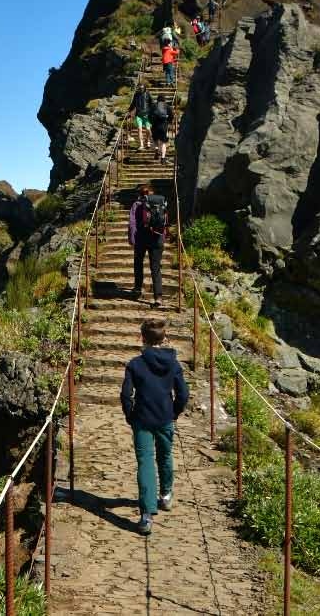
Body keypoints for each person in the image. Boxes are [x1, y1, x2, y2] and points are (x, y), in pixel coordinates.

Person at [121, 318, 188, 535]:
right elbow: (183, 394)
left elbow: (125, 395)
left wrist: (130, 415)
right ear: (164, 338)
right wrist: (174, 412)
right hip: (165, 418)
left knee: (145, 462)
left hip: (142, 419)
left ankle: (147, 514)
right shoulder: (174, 364)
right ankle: (166, 495)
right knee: (166, 455)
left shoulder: (135, 364)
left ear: (142, 338)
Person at [127, 185, 169, 304]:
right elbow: (164, 220)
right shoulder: (161, 203)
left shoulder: (137, 204)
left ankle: (138, 288)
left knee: (138, 262)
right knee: (156, 268)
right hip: (157, 238)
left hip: (142, 238)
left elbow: (132, 223)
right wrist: (163, 236)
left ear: (140, 194)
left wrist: (132, 238)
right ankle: (158, 297)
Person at [150, 94, 174, 162]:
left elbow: (149, 115)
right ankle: (163, 158)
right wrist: (168, 122)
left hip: (155, 126)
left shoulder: (154, 106)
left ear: (157, 99)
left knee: (155, 140)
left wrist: (152, 122)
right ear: (164, 99)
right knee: (163, 143)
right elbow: (171, 116)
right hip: (163, 126)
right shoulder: (167, 106)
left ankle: (157, 151)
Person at [133, 84, 153, 150]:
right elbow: (133, 103)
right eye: (139, 88)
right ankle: (141, 145)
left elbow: (152, 103)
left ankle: (148, 141)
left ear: (144, 88)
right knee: (139, 129)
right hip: (138, 115)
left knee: (148, 129)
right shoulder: (136, 95)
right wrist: (129, 110)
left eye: (141, 88)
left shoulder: (148, 94)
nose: (140, 89)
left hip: (147, 115)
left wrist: (151, 112)